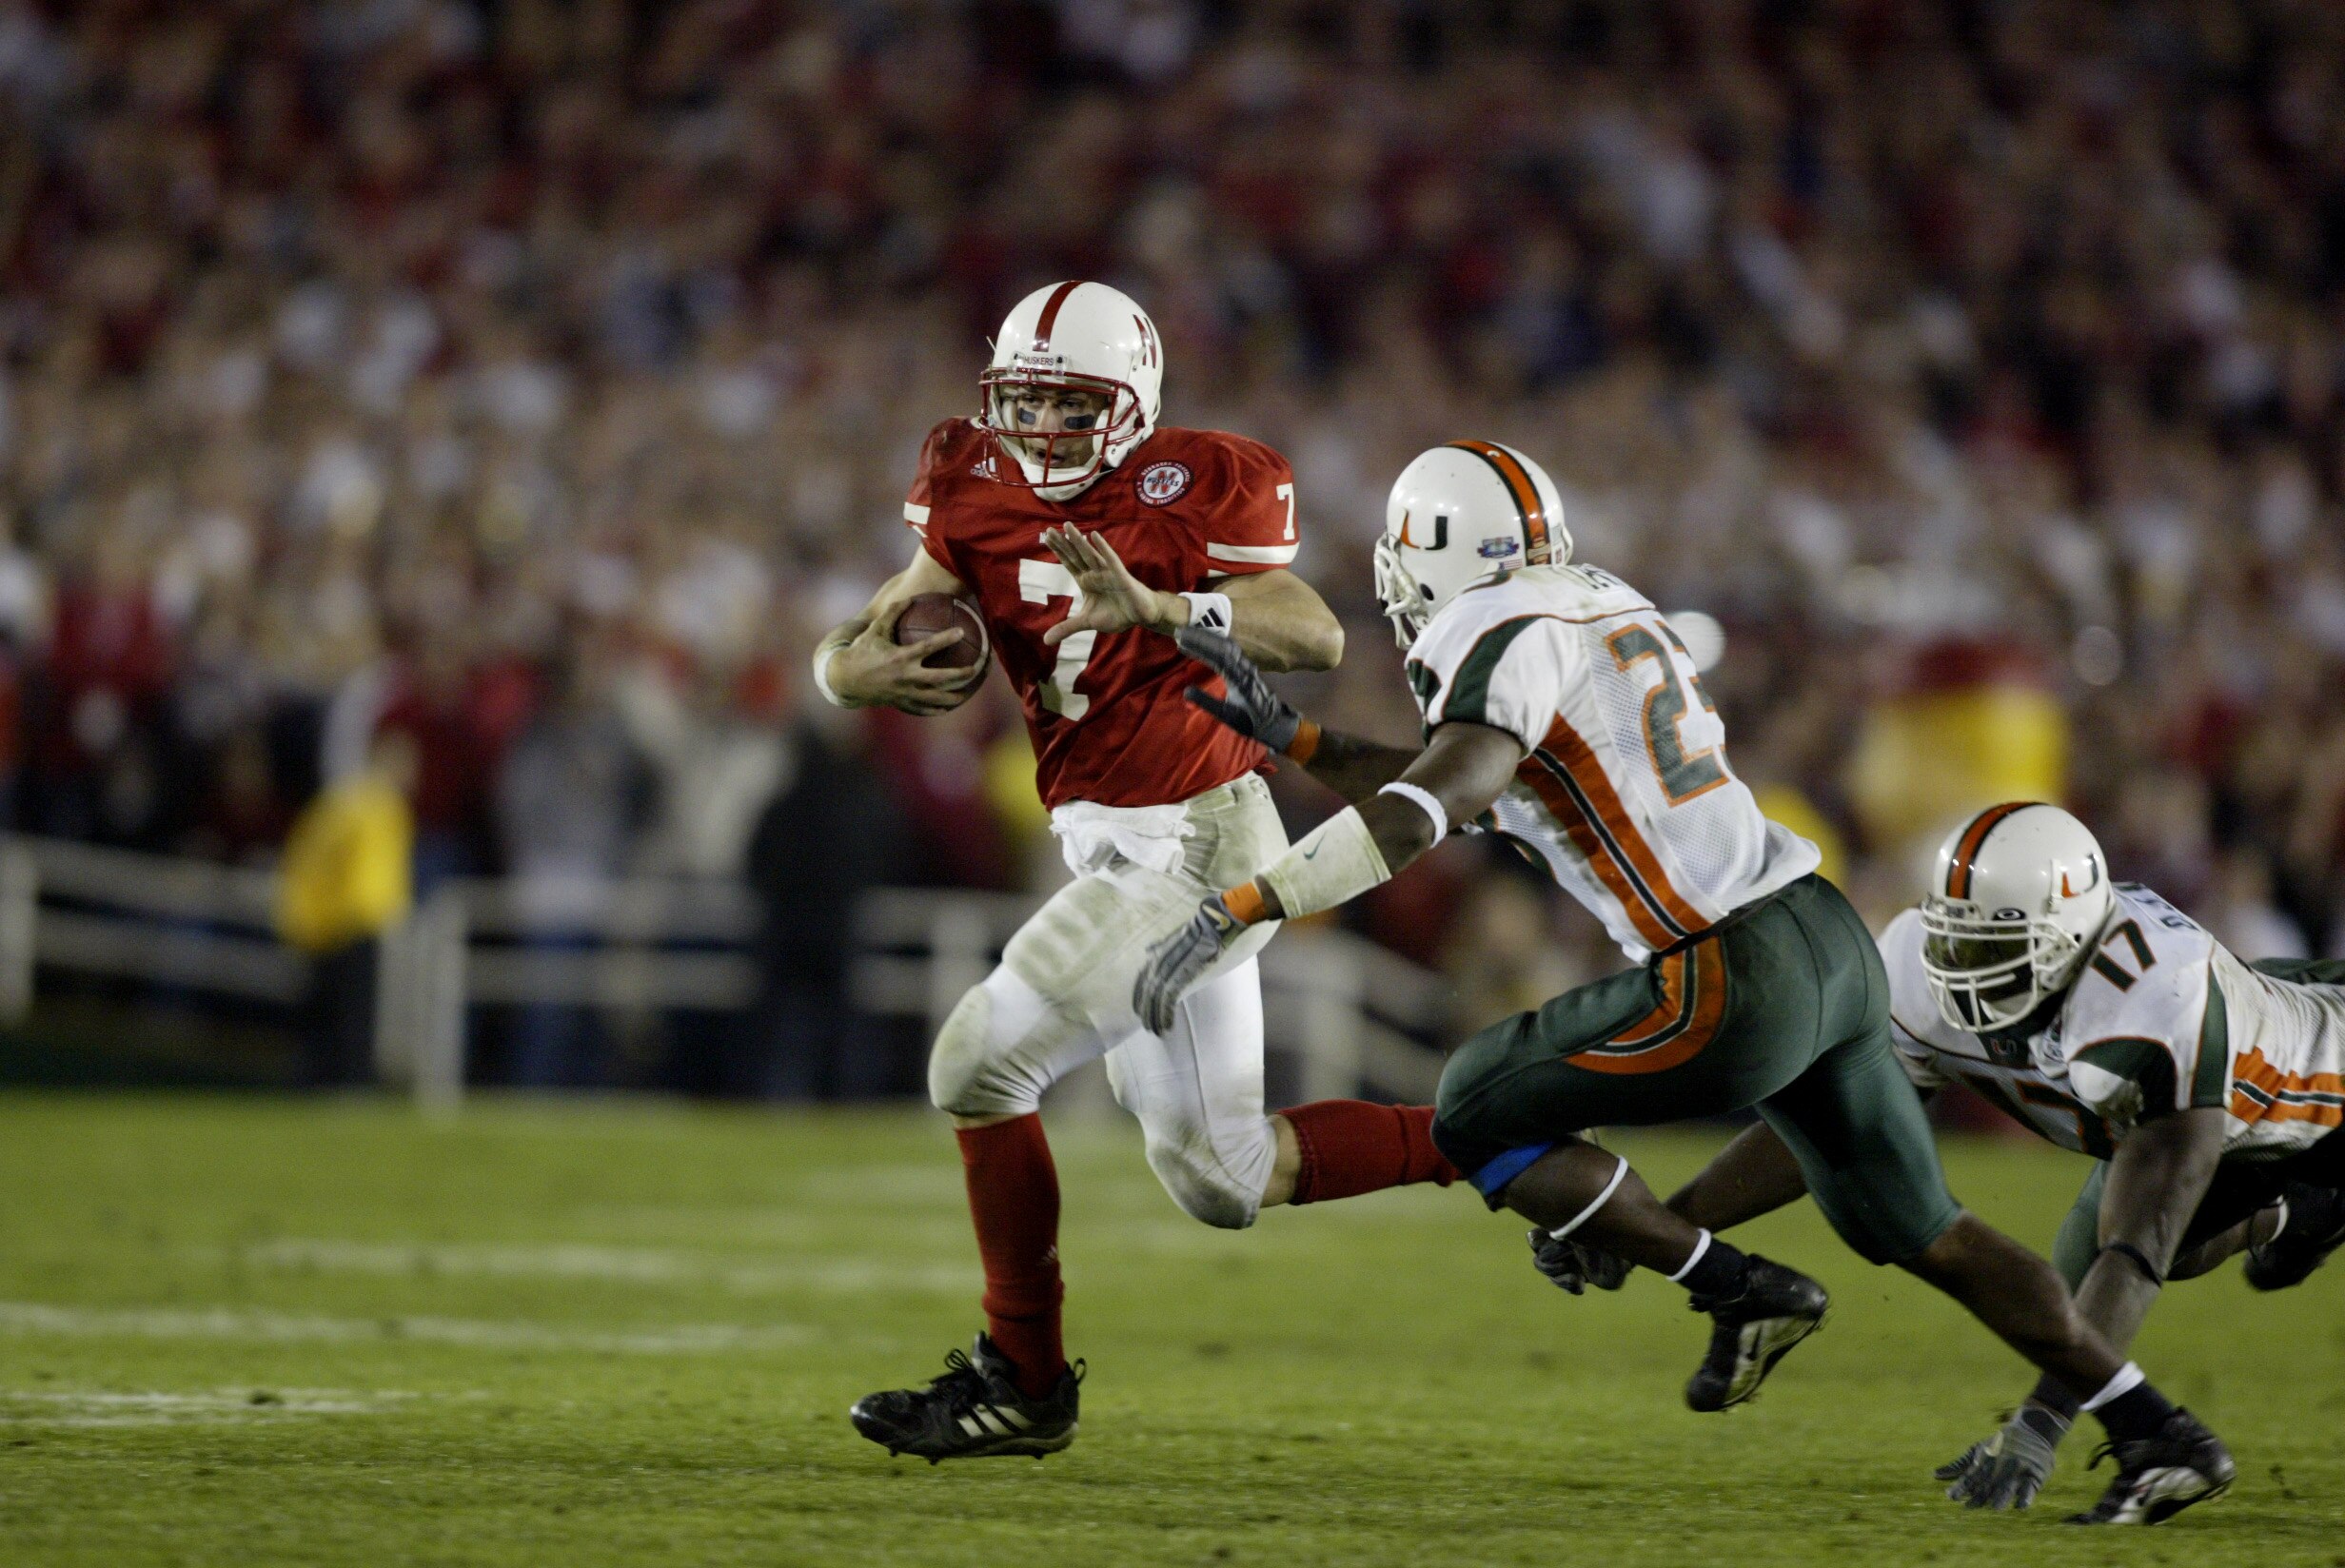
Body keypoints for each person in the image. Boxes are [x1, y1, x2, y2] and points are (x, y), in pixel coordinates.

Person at [1136, 441, 2235, 1526]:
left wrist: (1246, 901)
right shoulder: (1593, 599)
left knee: (1473, 1097)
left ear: (1433, 556)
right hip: (1826, 941)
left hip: (1727, 970)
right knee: (1930, 1230)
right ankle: (2153, 1427)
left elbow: (1444, 796)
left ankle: (1737, 1288)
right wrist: (1298, 736)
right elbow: (1473, 783)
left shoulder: (1488, 623)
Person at [814, 282, 1460, 1462]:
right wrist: (845, 675)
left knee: (975, 1059)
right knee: (1222, 1172)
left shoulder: (1198, 480)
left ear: (1131, 405)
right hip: (1112, 837)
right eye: (1025, 401)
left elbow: (1313, 636)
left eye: (1071, 404)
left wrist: (1161, 604)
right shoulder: (966, 474)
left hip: (1200, 835)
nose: (1044, 429)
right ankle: (1497, 1130)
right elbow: (870, 628)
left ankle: (1023, 1378)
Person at [1555, 802, 2344, 1514]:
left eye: (1991, 943)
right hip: (2254, 1077)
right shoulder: (1920, 968)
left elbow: (2135, 1252)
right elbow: (1841, 1131)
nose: (1960, 963)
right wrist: (1657, 1226)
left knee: (2107, 1251)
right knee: (2137, 1249)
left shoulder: (2151, 1006)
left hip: (2318, 1066)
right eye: (1955, 933)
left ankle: (2310, 1191)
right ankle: (2304, 1205)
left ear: (2067, 935)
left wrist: (2040, 1425)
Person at [275, 728, 416, 1086]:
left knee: (328, 1019)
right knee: (348, 1020)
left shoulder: (344, 802)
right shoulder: (371, 805)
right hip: (349, 924)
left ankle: (325, 1085)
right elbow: (355, 872)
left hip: (327, 924)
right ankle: (344, 1087)